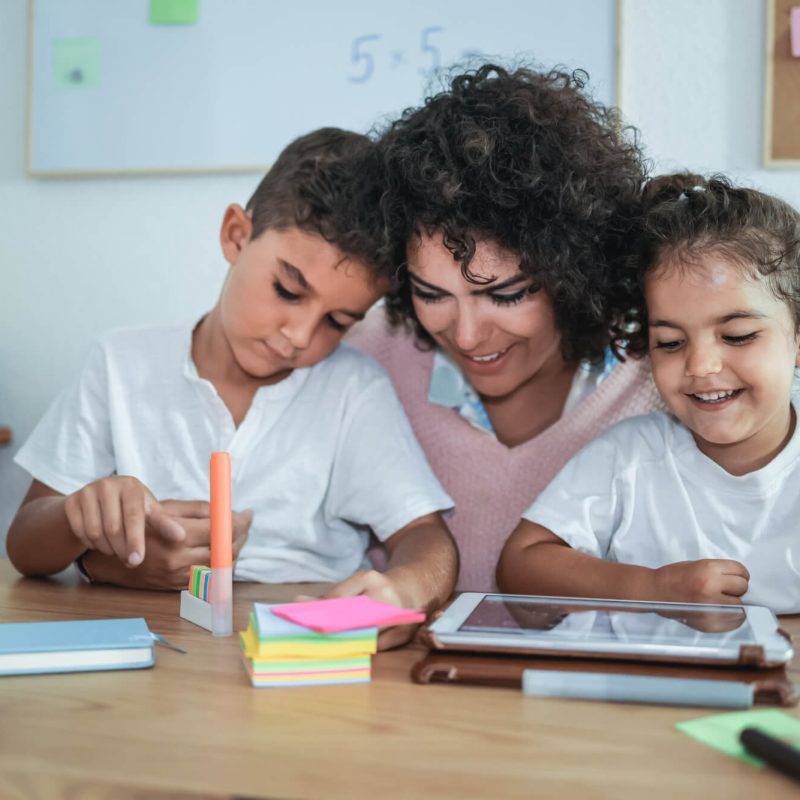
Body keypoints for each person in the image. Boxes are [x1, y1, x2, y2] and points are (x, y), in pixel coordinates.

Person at [8, 128, 457, 646]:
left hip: (296, 644)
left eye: (338, 321)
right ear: (236, 235)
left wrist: (402, 592)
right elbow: (24, 546)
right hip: (150, 640)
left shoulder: (352, 391)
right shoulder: (120, 363)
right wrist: (78, 517)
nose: (299, 336)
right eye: (288, 290)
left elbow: (429, 539)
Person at [348, 64, 661, 591]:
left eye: (507, 294)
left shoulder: (662, 378)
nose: (467, 336)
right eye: (431, 294)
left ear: (573, 271)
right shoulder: (370, 357)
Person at [497, 174, 800, 614]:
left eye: (737, 335)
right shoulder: (631, 456)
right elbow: (520, 567)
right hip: (643, 682)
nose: (700, 366)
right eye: (671, 343)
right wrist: (650, 589)